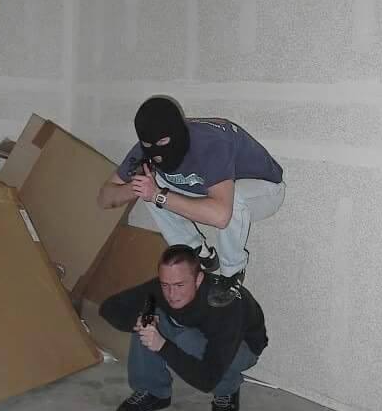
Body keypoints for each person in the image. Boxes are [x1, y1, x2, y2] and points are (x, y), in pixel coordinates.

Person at [98, 95, 285, 308]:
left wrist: (158, 195)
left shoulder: (211, 143)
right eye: (149, 145)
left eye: (163, 143)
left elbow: (221, 216)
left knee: (233, 198)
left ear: (177, 134)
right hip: (204, 191)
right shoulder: (144, 148)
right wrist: (138, 188)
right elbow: (104, 198)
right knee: (147, 184)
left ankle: (233, 270)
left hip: (264, 191)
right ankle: (196, 250)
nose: (157, 152)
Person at [100, 244, 268, 411]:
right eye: (165, 284)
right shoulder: (164, 287)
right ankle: (152, 391)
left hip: (242, 349)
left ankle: (226, 388)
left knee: (185, 338)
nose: (172, 294)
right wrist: (138, 321)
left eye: (180, 285)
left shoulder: (224, 306)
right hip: (197, 334)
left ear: (198, 279)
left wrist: (162, 346)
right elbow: (110, 307)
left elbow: (206, 379)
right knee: (149, 316)